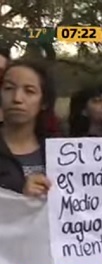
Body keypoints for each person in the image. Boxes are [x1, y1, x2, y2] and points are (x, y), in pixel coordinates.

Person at [0, 60, 54, 197]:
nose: (17, 98)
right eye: (8, 88)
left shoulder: (61, 150)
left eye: (29, 91)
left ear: (44, 102)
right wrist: (20, 197)